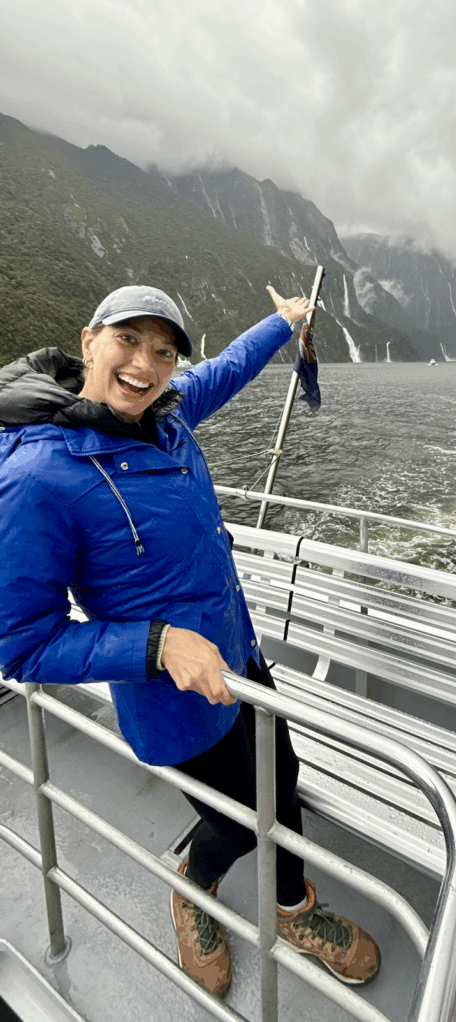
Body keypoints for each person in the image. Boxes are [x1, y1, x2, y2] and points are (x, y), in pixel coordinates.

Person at [0, 285, 381, 997]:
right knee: (235, 825)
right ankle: (194, 885)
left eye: (164, 350)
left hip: (241, 657)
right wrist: (157, 645)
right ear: (89, 341)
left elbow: (230, 367)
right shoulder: (35, 474)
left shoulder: (166, 415)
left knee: (282, 784)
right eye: (128, 340)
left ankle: (294, 910)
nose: (145, 364)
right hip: (171, 696)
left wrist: (285, 321)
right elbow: (21, 646)